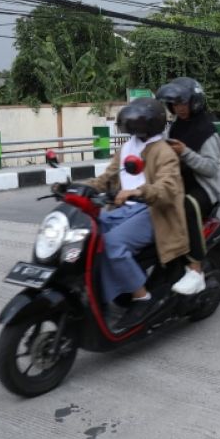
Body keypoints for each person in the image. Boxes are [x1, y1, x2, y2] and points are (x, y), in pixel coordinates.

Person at [79, 97, 190, 330]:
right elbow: (106, 178)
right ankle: (101, 293)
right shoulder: (127, 148)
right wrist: (79, 187)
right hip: (123, 211)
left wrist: (138, 191)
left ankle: (142, 297)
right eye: (131, 124)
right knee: (86, 235)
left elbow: (168, 188)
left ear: (152, 124)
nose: (133, 128)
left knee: (111, 244)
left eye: (138, 124)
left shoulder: (164, 151)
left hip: (153, 212)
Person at [155, 77, 220, 297]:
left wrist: (185, 152)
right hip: (178, 184)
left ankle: (195, 270)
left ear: (194, 102)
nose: (179, 108)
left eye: (182, 103)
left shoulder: (207, 130)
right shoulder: (175, 126)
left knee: (187, 204)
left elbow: (211, 168)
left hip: (202, 190)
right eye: (174, 104)